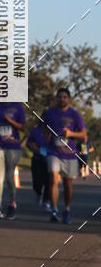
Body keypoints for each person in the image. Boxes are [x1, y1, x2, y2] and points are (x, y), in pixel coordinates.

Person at [42, 88, 86, 223]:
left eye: (65, 97)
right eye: (60, 96)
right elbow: (44, 127)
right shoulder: (49, 113)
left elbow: (83, 134)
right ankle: (54, 210)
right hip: (53, 152)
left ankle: (67, 209)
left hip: (69, 154)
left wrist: (71, 134)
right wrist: (47, 136)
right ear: (56, 98)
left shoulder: (75, 114)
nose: (62, 99)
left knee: (67, 184)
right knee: (54, 180)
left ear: (69, 99)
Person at [0, 102, 26, 218]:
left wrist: (9, 120)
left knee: (10, 177)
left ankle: (12, 203)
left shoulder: (18, 107)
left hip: (13, 146)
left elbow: (22, 127)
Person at [26, 125, 50, 207]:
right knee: (37, 181)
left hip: (50, 160)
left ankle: (46, 200)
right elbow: (28, 143)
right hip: (37, 159)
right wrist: (32, 146)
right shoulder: (35, 130)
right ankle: (38, 193)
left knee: (49, 181)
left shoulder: (54, 130)